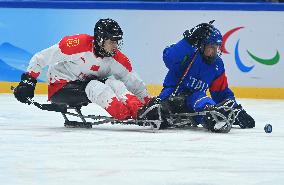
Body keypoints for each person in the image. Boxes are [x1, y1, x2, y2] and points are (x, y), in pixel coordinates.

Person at [13, 18, 151, 121]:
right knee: (96, 86)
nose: (115, 46)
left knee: (116, 83)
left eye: (117, 41)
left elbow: (133, 82)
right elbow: (41, 58)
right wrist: (28, 82)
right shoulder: (77, 45)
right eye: (111, 41)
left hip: (87, 86)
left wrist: (149, 104)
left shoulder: (117, 59)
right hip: (60, 88)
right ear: (100, 39)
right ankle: (124, 114)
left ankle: (140, 111)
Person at [138, 21, 255, 132]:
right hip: (172, 97)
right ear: (202, 45)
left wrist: (236, 110)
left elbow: (221, 92)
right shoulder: (188, 54)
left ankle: (211, 116)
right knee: (190, 98)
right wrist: (188, 40)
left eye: (217, 47)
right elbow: (169, 58)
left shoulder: (217, 65)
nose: (214, 51)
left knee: (199, 97)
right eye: (211, 47)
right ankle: (159, 112)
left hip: (195, 104)